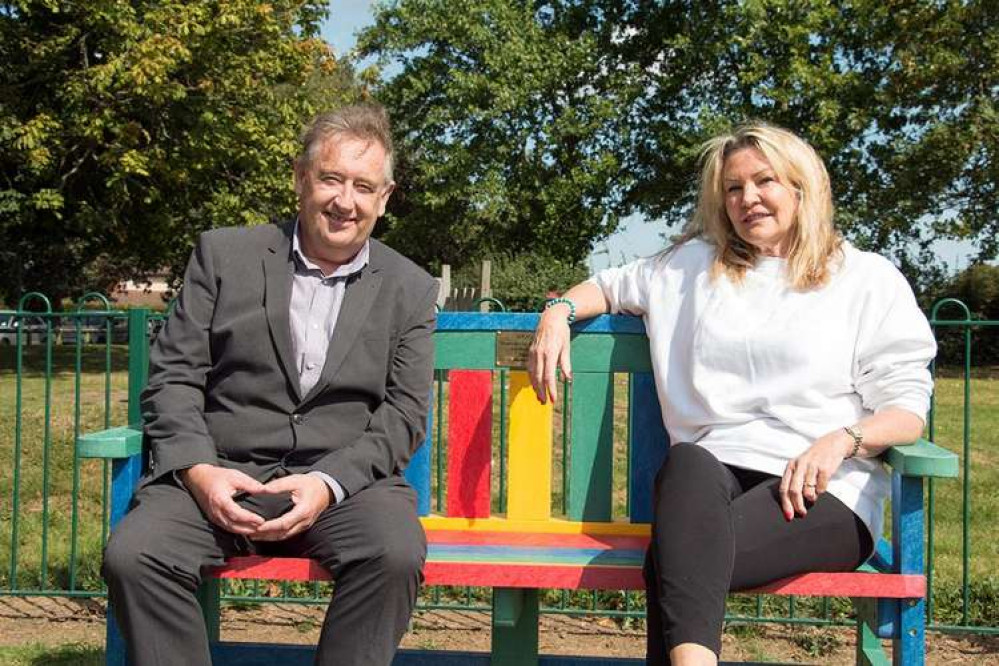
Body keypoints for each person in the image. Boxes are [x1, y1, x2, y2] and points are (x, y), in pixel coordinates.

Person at [528, 123, 935, 666]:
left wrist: (844, 439)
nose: (748, 199)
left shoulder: (865, 279)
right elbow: (606, 286)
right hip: (708, 482)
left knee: (675, 561)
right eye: (733, 188)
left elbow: (907, 410)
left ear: (801, 187)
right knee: (689, 467)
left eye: (764, 181)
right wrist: (557, 312)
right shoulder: (688, 267)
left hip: (823, 490)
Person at [101, 104, 438, 666]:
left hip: (342, 485)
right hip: (220, 471)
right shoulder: (223, 255)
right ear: (301, 178)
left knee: (394, 553)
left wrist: (327, 483)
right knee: (136, 555)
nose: (344, 201)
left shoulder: (410, 287)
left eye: (363, 186)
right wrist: (201, 473)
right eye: (331, 178)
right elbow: (173, 379)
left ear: (385, 198)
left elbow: (404, 414)